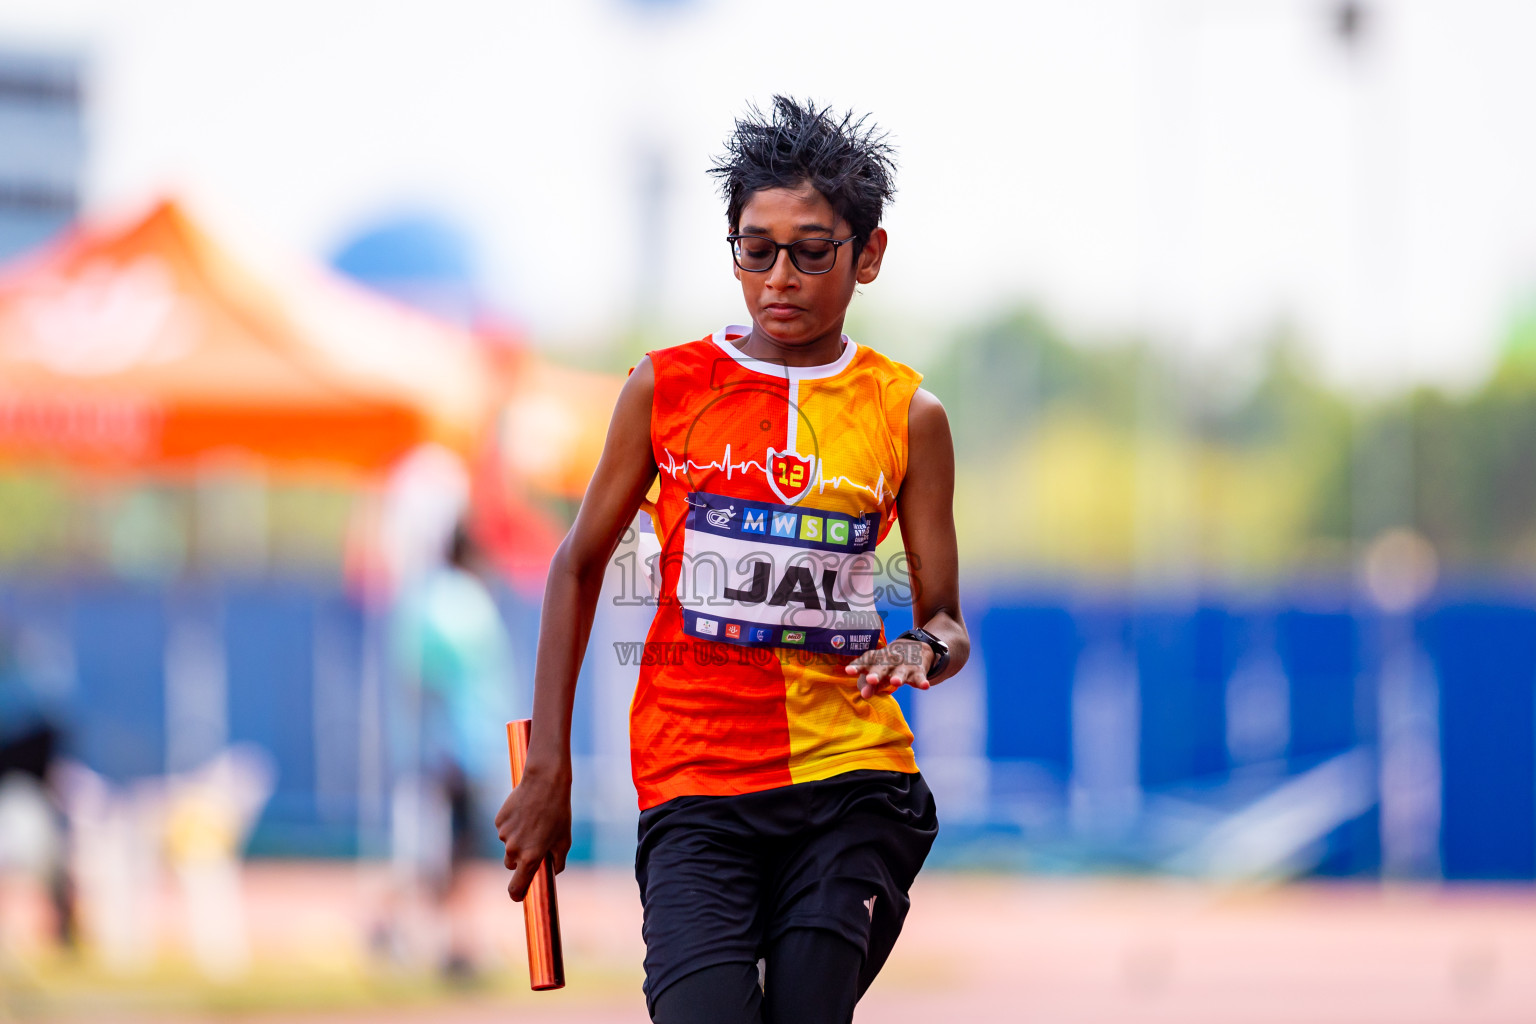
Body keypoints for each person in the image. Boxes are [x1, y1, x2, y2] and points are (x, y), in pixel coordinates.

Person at [496, 96, 969, 1024]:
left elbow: (945, 619)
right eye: (757, 249)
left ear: (867, 256)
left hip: (850, 784)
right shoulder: (664, 388)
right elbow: (578, 565)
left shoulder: (907, 414)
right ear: (732, 245)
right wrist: (547, 768)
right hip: (696, 790)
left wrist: (923, 651)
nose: (779, 277)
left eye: (812, 249)